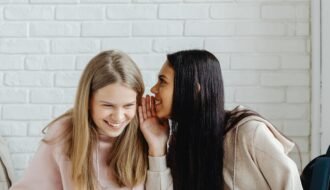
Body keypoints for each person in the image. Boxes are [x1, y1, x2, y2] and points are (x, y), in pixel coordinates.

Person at [139, 49, 303, 190]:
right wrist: (157, 148)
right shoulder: (181, 141)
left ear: (194, 89)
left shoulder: (248, 133)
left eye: (163, 81)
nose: (154, 89)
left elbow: (291, 183)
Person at [10, 50, 150, 190]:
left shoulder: (144, 130)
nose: (118, 117)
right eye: (108, 105)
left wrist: (157, 150)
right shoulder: (64, 131)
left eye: (128, 105)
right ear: (88, 101)